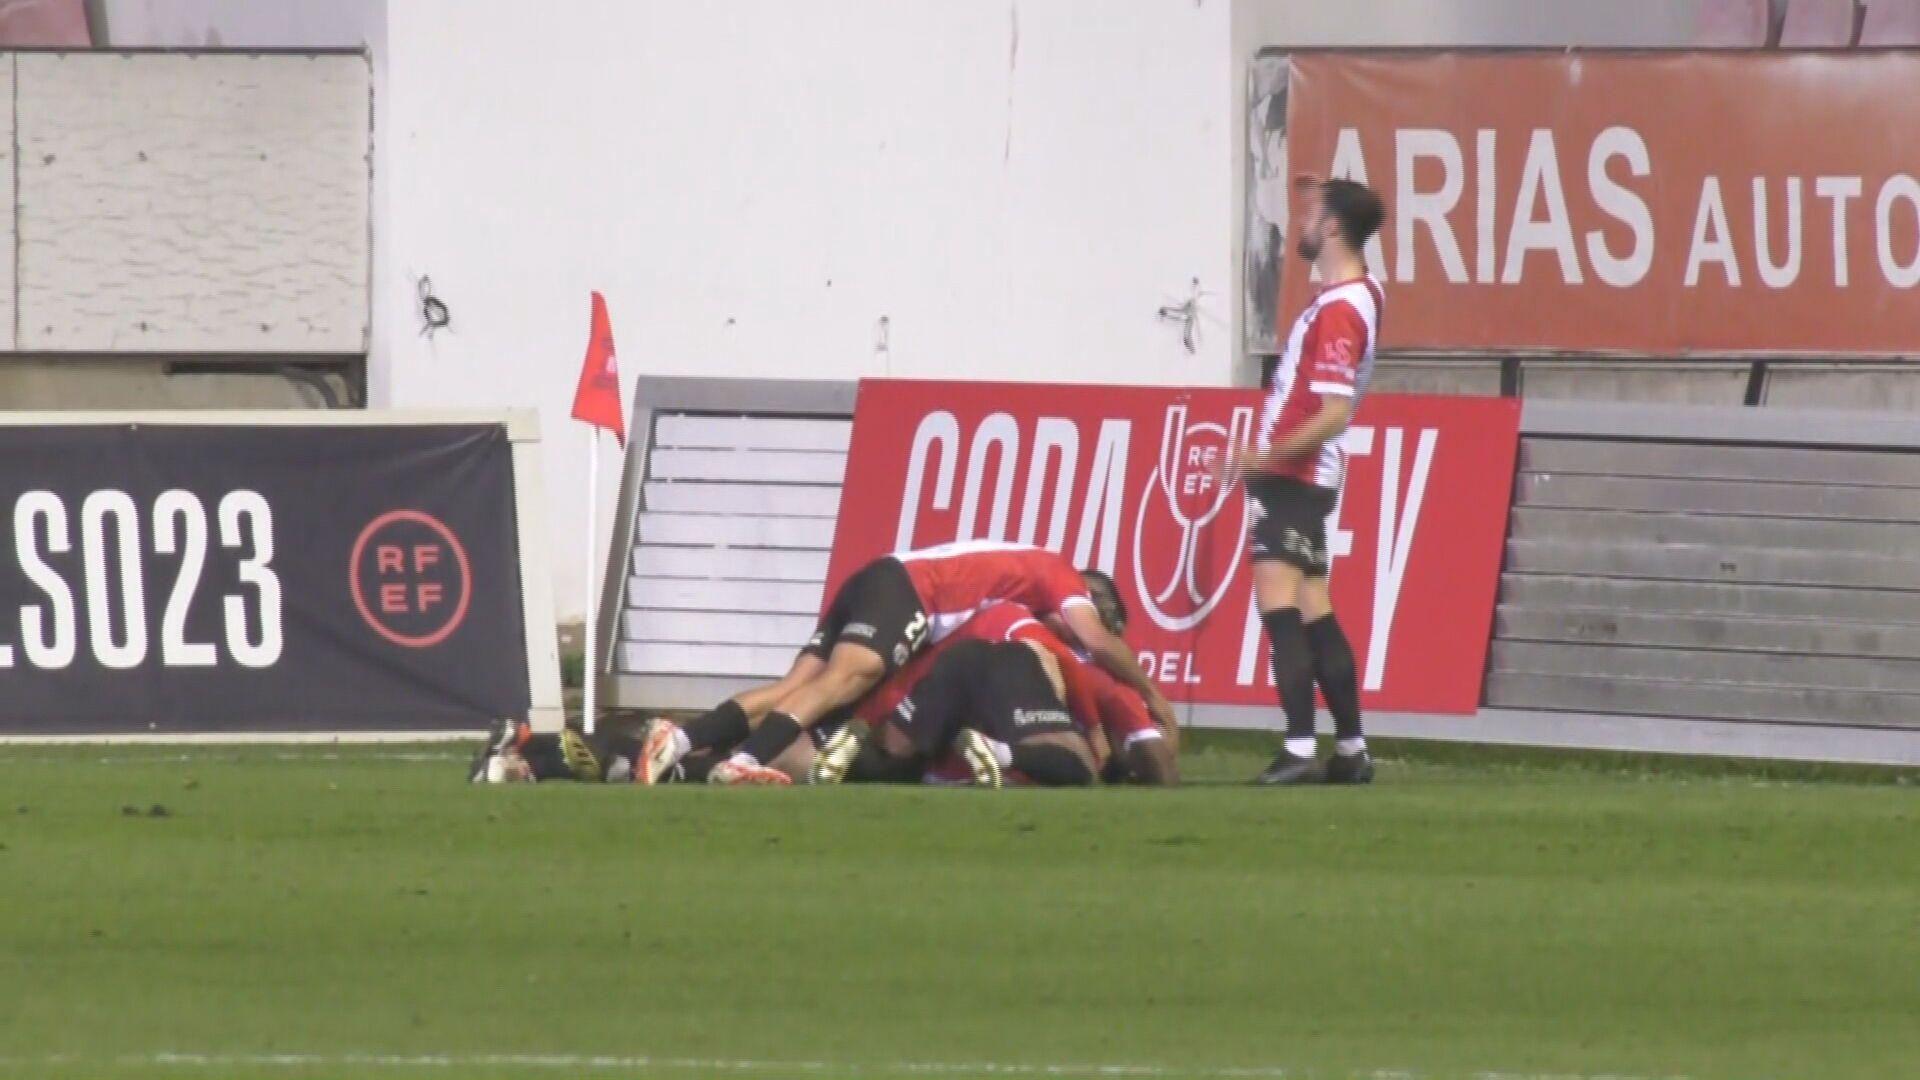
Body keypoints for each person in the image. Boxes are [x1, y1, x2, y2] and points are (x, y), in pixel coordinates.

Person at [636, 540, 1173, 786]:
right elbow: (1098, 643)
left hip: (881, 578)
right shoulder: (1061, 578)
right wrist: (1152, 694)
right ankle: (746, 760)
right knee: (847, 680)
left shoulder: (1020, 575)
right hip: (911, 592)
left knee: (793, 688)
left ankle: (680, 739)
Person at [1226, 175, 1385, 787]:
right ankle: (1350, 748)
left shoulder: (1343, 309)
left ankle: (1297, 746)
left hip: (1294, 475)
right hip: (1305, 475)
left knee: (1280, 611)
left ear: (1332, 228)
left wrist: (1265, 456)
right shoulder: (1355, 293)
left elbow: (1334, 412)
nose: (1298, 221)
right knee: (1316, 608)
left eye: (1310, 212)